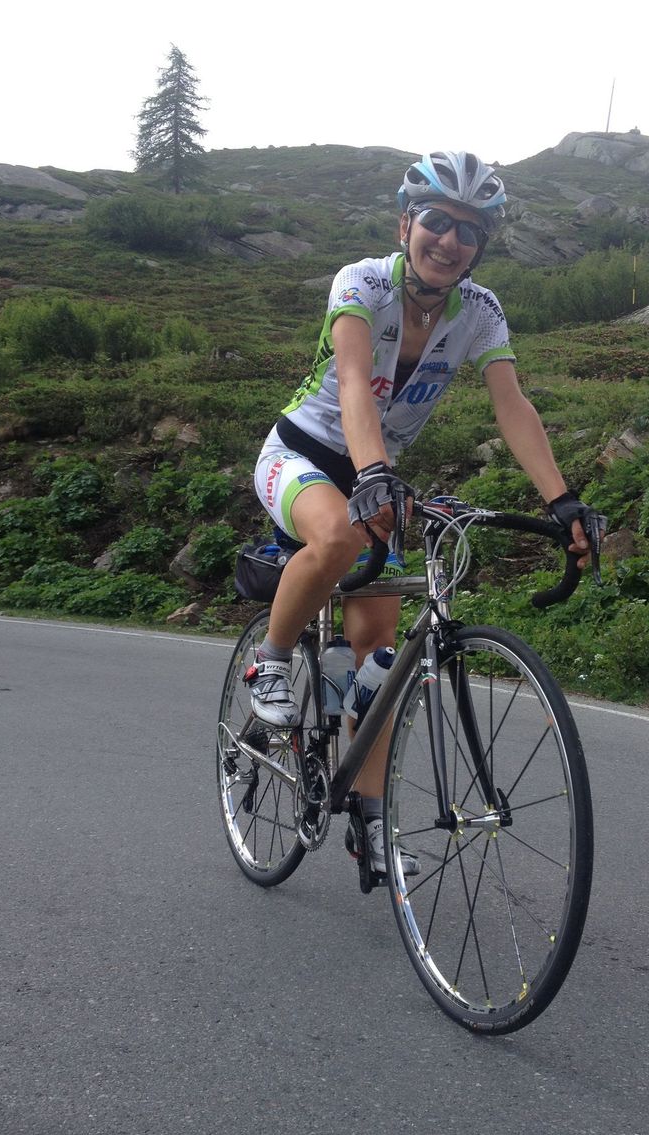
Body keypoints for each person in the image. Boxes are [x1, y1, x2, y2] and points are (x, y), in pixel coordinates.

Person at [248, 150, 600, 873]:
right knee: (336, 538)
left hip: (379, 474)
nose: (450, 241)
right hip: (303, 454)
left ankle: (371, 820)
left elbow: (512, 404)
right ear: (406, 224)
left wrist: (561, 499)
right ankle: (271, 662)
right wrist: (373, 472)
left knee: (379, 658)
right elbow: (353, 381)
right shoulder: (362, 282)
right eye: (437, 221)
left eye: (469, 231)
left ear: (480, 246)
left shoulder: (481, 312)